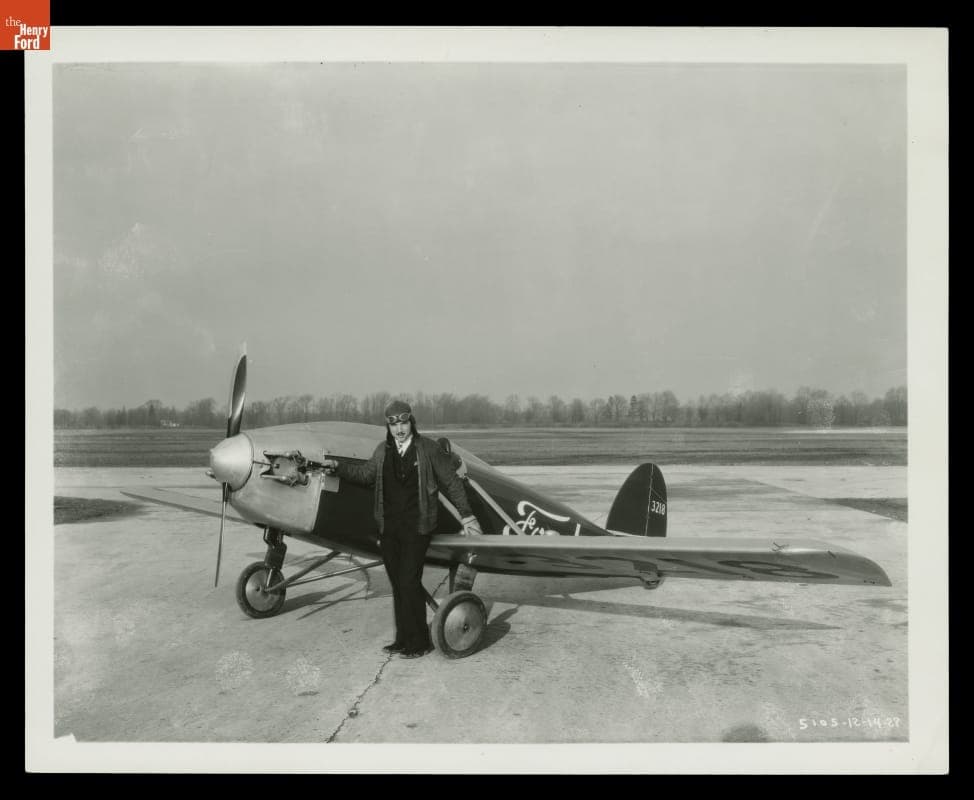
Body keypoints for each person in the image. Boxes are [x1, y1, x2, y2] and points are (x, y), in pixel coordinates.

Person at [321, 400, 483, 659]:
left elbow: (452, 482)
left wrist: (467, 516)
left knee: (409, 581)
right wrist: (339, 468)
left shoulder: (427, 449)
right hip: (389, 527)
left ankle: (419, 642)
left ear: (411, 423)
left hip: (418, 527)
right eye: (394, 424)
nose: (399, 429)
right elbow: (366, 475)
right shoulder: (382, 451)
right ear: (388, 426)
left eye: (403, 423)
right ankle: (402, 639)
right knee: (398, 584)